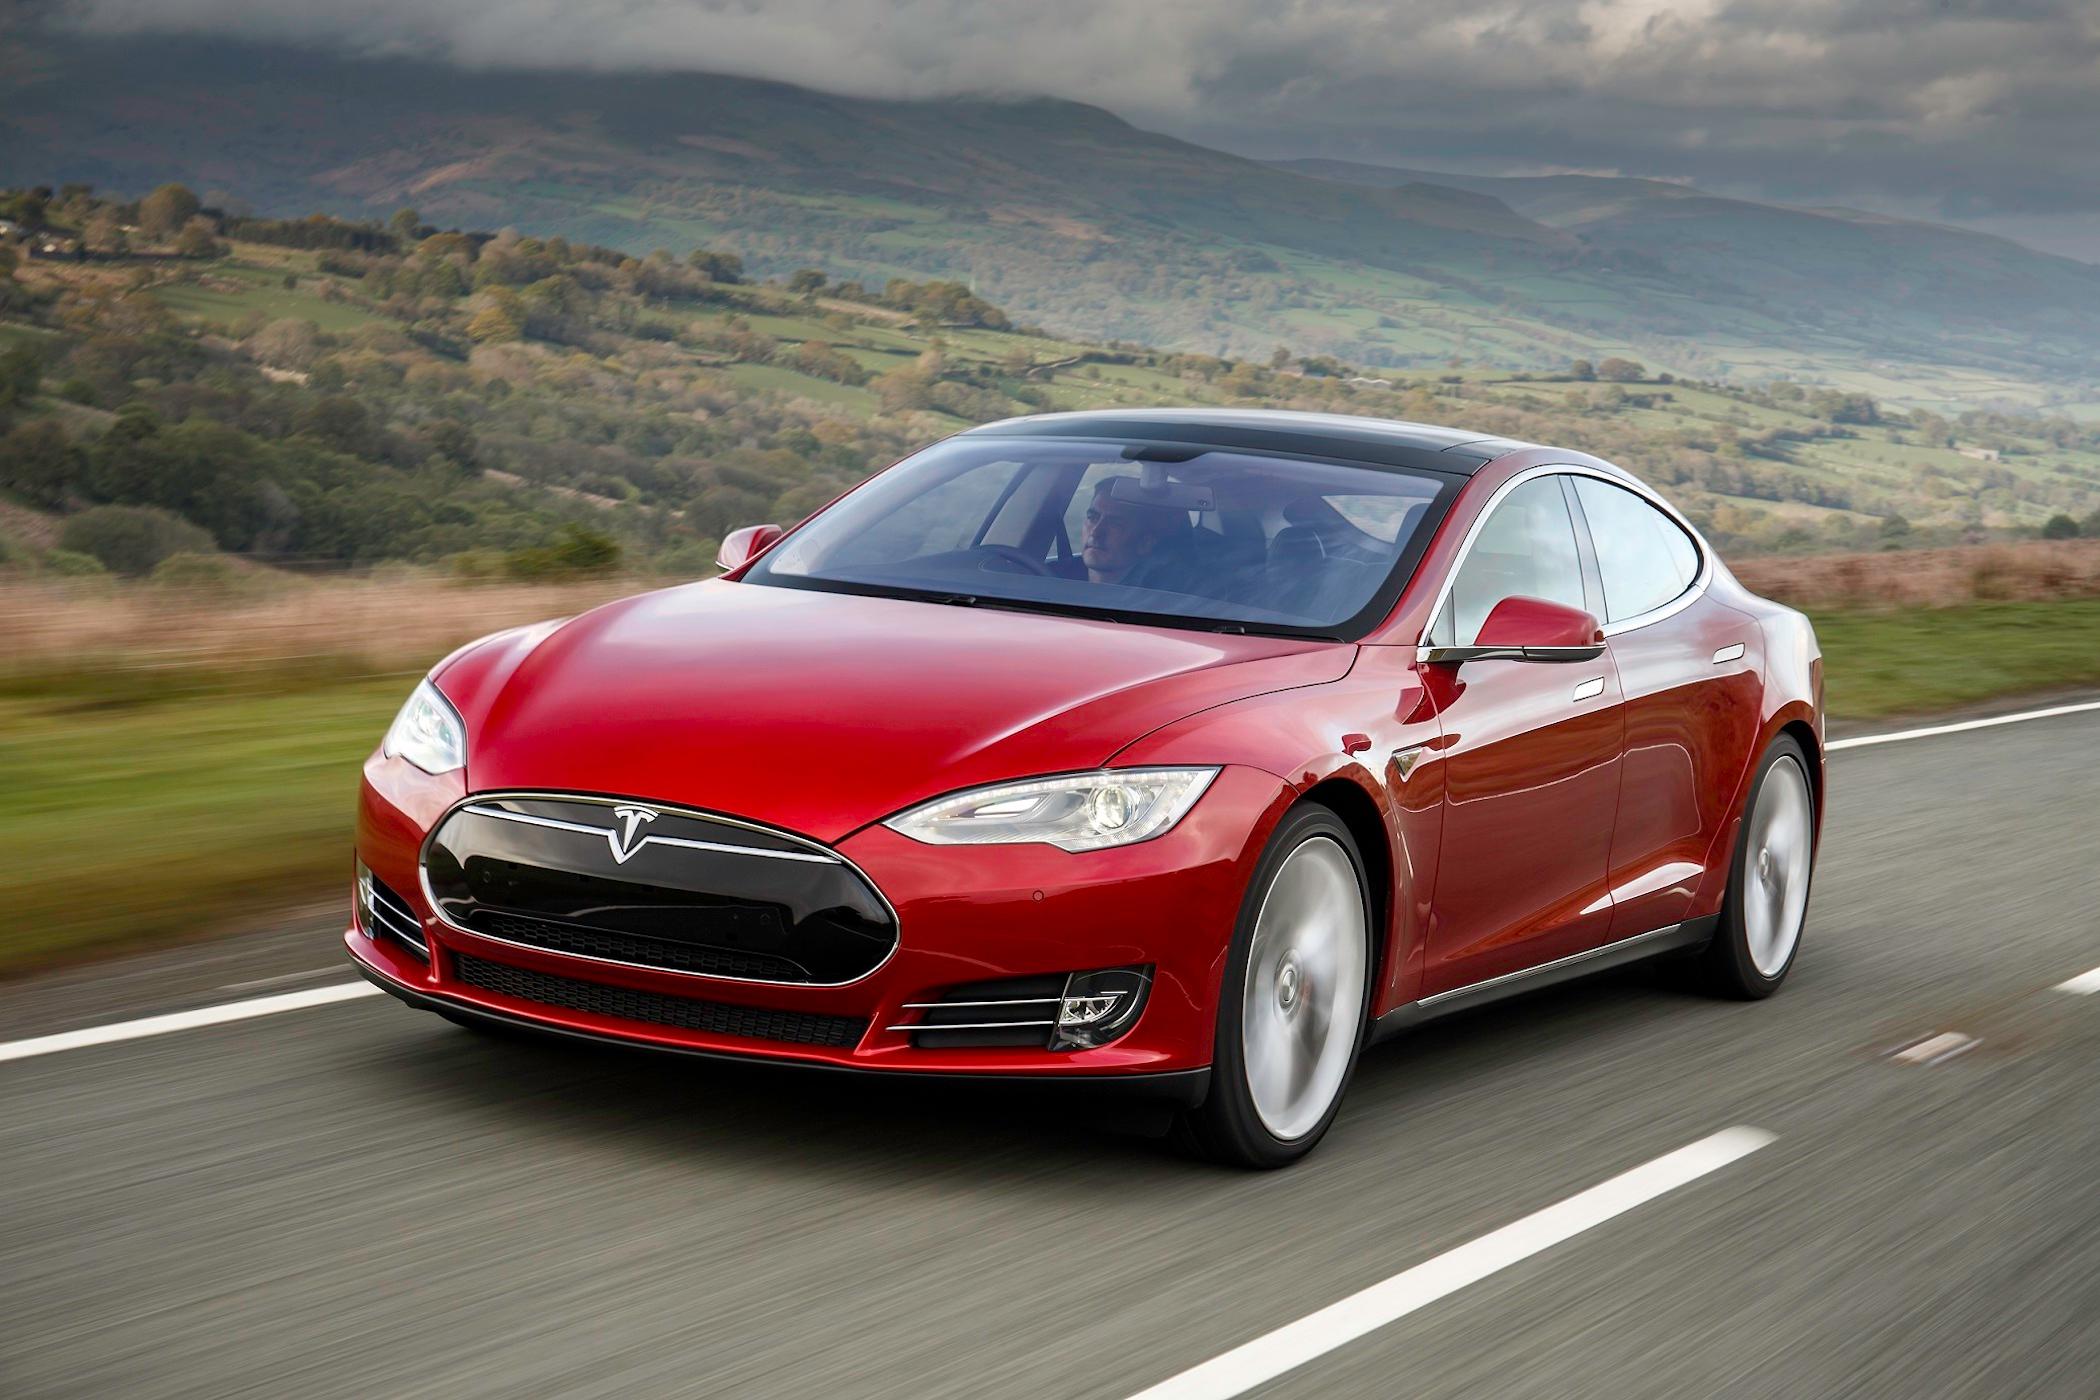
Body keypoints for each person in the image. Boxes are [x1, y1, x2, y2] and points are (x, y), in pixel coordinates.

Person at [1080, 476, 1183, 586]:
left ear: (1145, 543)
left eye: (1115, 523)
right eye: (1092, 517)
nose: (1095, 532)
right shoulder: (1061, 580)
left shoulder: (1156, 598)